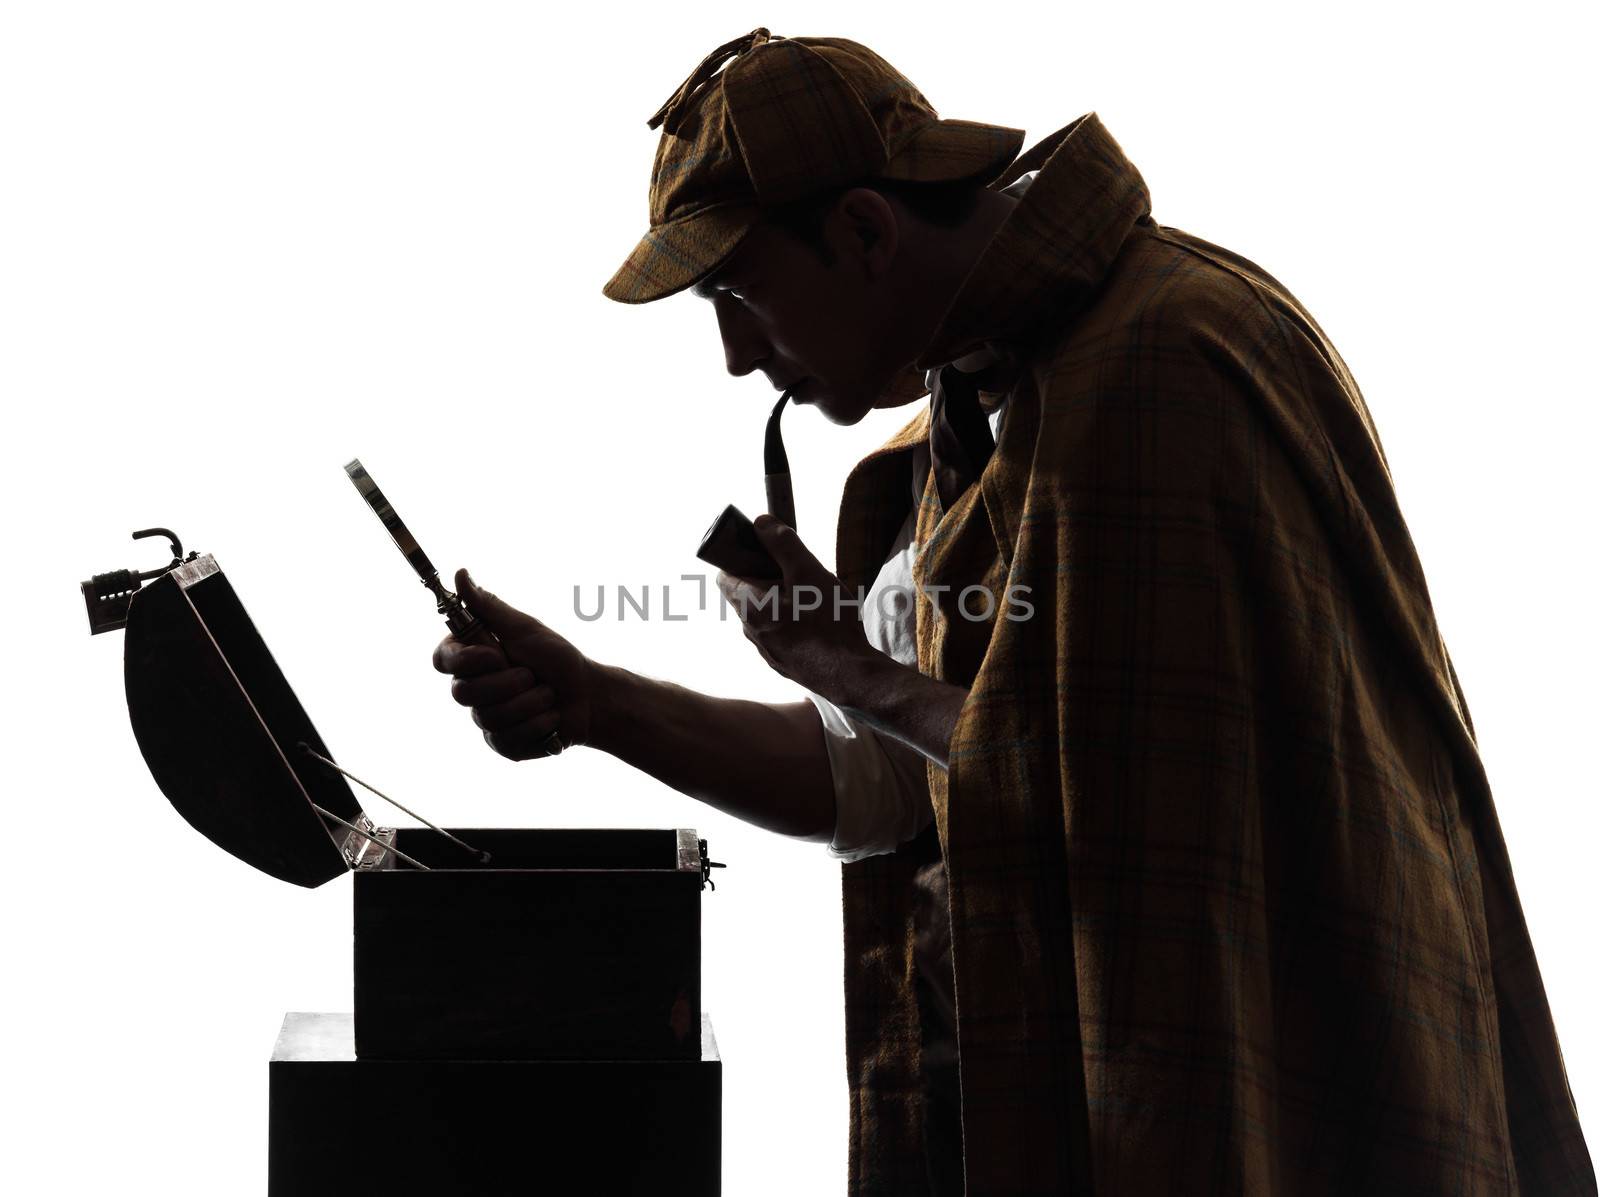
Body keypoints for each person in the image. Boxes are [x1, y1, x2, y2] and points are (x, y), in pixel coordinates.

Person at [432, 27, 1596, 1196]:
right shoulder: (983, 399)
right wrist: (591, 700)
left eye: (737, 294)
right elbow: (896, 778)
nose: (739, 358)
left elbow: (1109, 787)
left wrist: (850, 669)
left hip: (1264, 1120)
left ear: (864, 231)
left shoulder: (1161, 364)